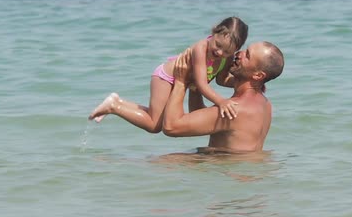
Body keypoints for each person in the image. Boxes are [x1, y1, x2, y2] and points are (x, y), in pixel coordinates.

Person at [88, 16, 249, 133]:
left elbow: (221, 80)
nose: (219, 52)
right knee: (154, 125)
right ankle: (114, 106)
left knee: (154, 119)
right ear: (214, 33)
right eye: (218, 45)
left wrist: (242, 82)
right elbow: (201, 84)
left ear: (234, 50)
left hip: (180, 81)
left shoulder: (225, 58)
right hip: (165, 78)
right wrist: (221, 101)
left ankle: (117, 102)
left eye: (227, 51)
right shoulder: (201, 48)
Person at [162, 41, 284, 153]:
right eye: (244, 50)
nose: (238, 54)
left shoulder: (235, 109)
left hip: (227, 170)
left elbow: (171, 127)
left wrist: (180, 81)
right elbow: (202, 117)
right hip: (241, 167)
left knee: (160, 161)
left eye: (247, 55)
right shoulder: (265, 104)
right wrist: (198, 82)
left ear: (258, 75)